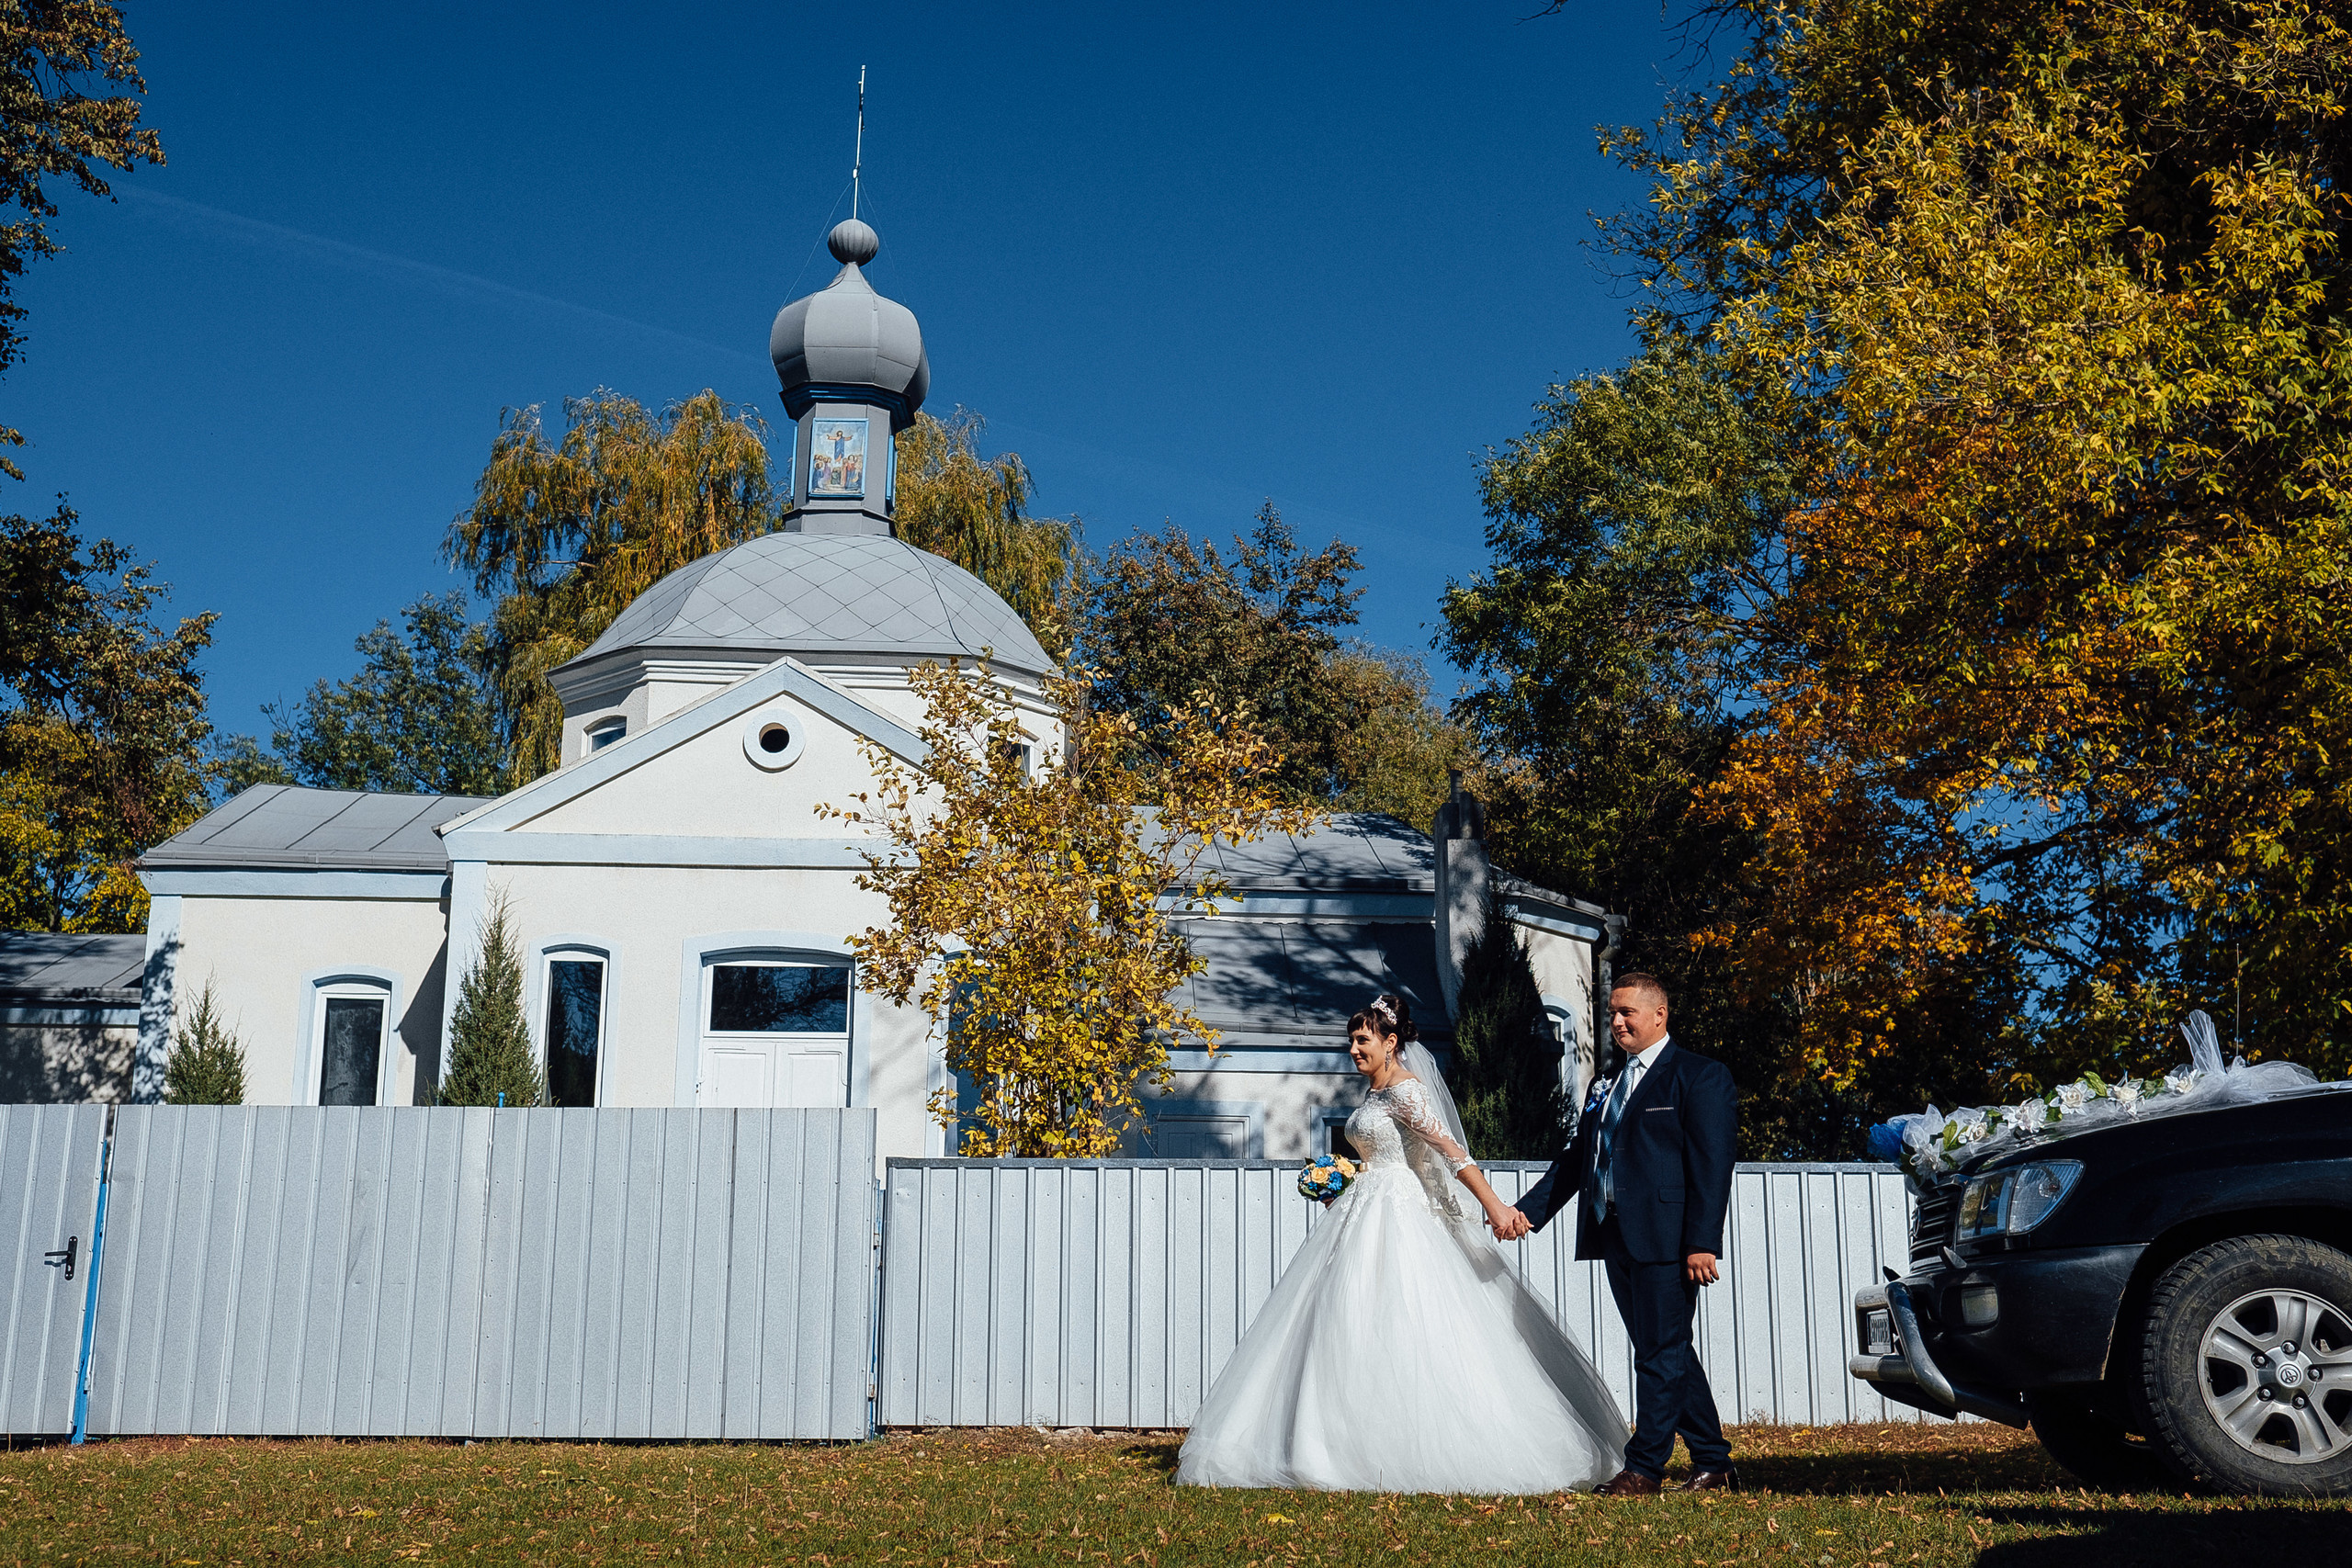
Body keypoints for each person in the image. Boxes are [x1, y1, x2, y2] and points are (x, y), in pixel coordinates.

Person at [1176, 993, 1628, 1494]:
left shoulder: (1406, 1093)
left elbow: (1449, 1151)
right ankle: (1323, 1443)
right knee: (1343, 1319)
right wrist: (1339, 1181)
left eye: (1362, 1039)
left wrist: (1495, 1207)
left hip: (1398, 1213)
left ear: (1391, 1043)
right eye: (1351, 1040)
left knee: (1401, 1317)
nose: (1353, 1049)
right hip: (1363, 1208)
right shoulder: (1374, 1095)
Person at [1500, 973, 1739, 1496]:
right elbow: (1576, 1160)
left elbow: (1712, 1165)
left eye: (1627, 1012)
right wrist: (1526, 1212)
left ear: (1660, 1015)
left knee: (1659, 1352)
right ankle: (1715, 1464)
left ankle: (1645, 1469)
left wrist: (1702, 1242)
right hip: (1614, 1235)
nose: (1616, 1022)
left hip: (1670, 1240)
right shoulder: (1604, 1083)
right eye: (1612, 1013)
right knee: (1667, 1349)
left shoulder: (1699, 1076)